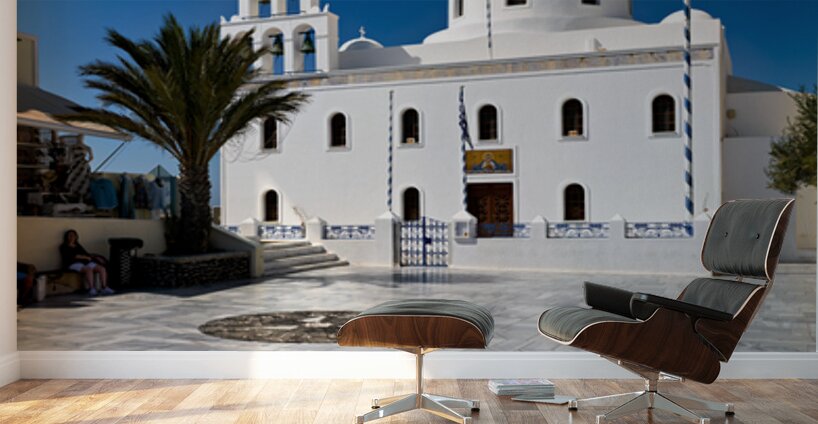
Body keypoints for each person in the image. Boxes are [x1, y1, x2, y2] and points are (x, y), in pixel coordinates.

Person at [60, 230, 114, 296]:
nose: (72, 237)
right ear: (67, 237)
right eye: (70, 235)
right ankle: (91, 288)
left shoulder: (78, 245)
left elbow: (86, 254)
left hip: (84, 263)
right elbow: (73, 256)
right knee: (88, 269)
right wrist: (85, 257)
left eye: (74, 235)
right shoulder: (63, 246)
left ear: (76, 237)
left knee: (101, 268)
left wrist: (96, 257)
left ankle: (104, 287)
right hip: (73, 264)